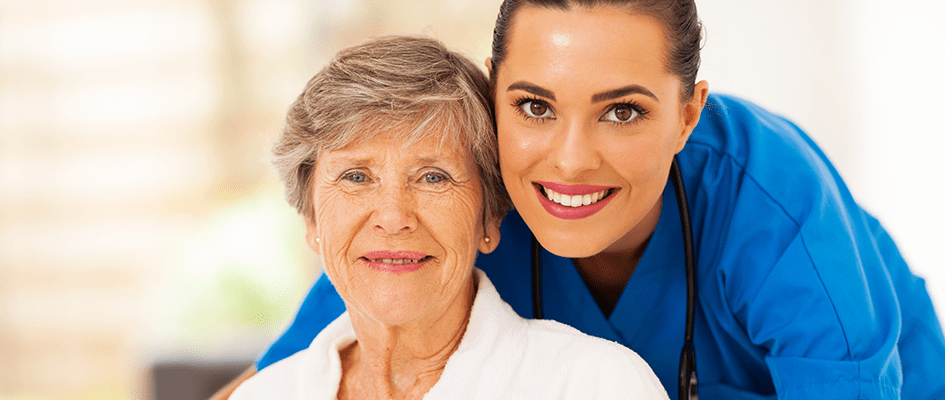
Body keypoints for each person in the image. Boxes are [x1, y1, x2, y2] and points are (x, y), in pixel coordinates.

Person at [215, 1, 945, 399]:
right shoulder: (447, 209)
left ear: (687, 114)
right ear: (494, 91)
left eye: (621, 110)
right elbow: (297, 371)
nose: (568, 160)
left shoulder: (772, 207)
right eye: (534, 106)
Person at [227, 35, 670, 400]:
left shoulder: (592, 385)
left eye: (434, 177)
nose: (393, 217)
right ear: (311, 220)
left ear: (489, 220)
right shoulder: (264, 394)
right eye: (356, 176)